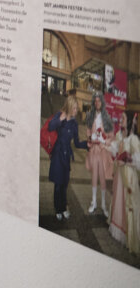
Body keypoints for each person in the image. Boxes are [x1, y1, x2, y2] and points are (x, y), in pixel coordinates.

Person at [47, 94, 88, 222]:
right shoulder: (61, 116)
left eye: (77, 109)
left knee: (64, 184)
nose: (76, 111)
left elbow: (76, 143)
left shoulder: (75, 124)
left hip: (66, 157)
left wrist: (88, 144)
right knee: (58, 184)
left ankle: (63, 207)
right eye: (75, 108)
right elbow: (50, 127)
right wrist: (60, 119)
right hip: (58, 154)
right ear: (70, 107)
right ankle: (58, 209)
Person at [85, 94, 114, 214]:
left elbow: (111, 136)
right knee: (94, 176)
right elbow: (88, 134)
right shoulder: (90, 117)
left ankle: (103, 205)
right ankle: (94, 202)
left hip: (102, 151)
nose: (97, 103)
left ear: (102, 103)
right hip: (94, 151)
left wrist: (105, 142)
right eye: (95, 101)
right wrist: (89, 141)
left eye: (99, 101)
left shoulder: (106, 118)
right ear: (93, 103)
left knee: (102, 177)